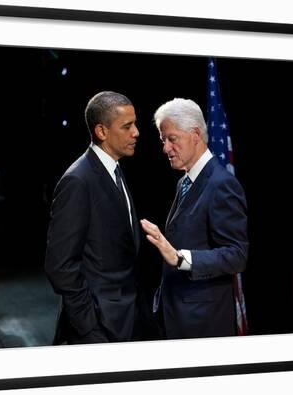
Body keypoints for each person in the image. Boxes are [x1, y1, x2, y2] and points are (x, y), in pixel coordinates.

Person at [140, 98, 248, 339]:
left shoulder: (222, 184)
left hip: (204, 324)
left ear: (195, 134)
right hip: (178, 315)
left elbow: (237, 255)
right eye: (163, 140)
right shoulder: (184, 182)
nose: (165, 148)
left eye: (171, 139)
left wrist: (180, 258)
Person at [45, 91, 141, 344]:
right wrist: (89, 329)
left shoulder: (114, 171)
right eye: (127, 126)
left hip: (124, 319)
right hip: (97, 328)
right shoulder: (78, 180)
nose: (136, 132)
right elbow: (60, 266)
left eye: (135, 124)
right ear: (101, 131)